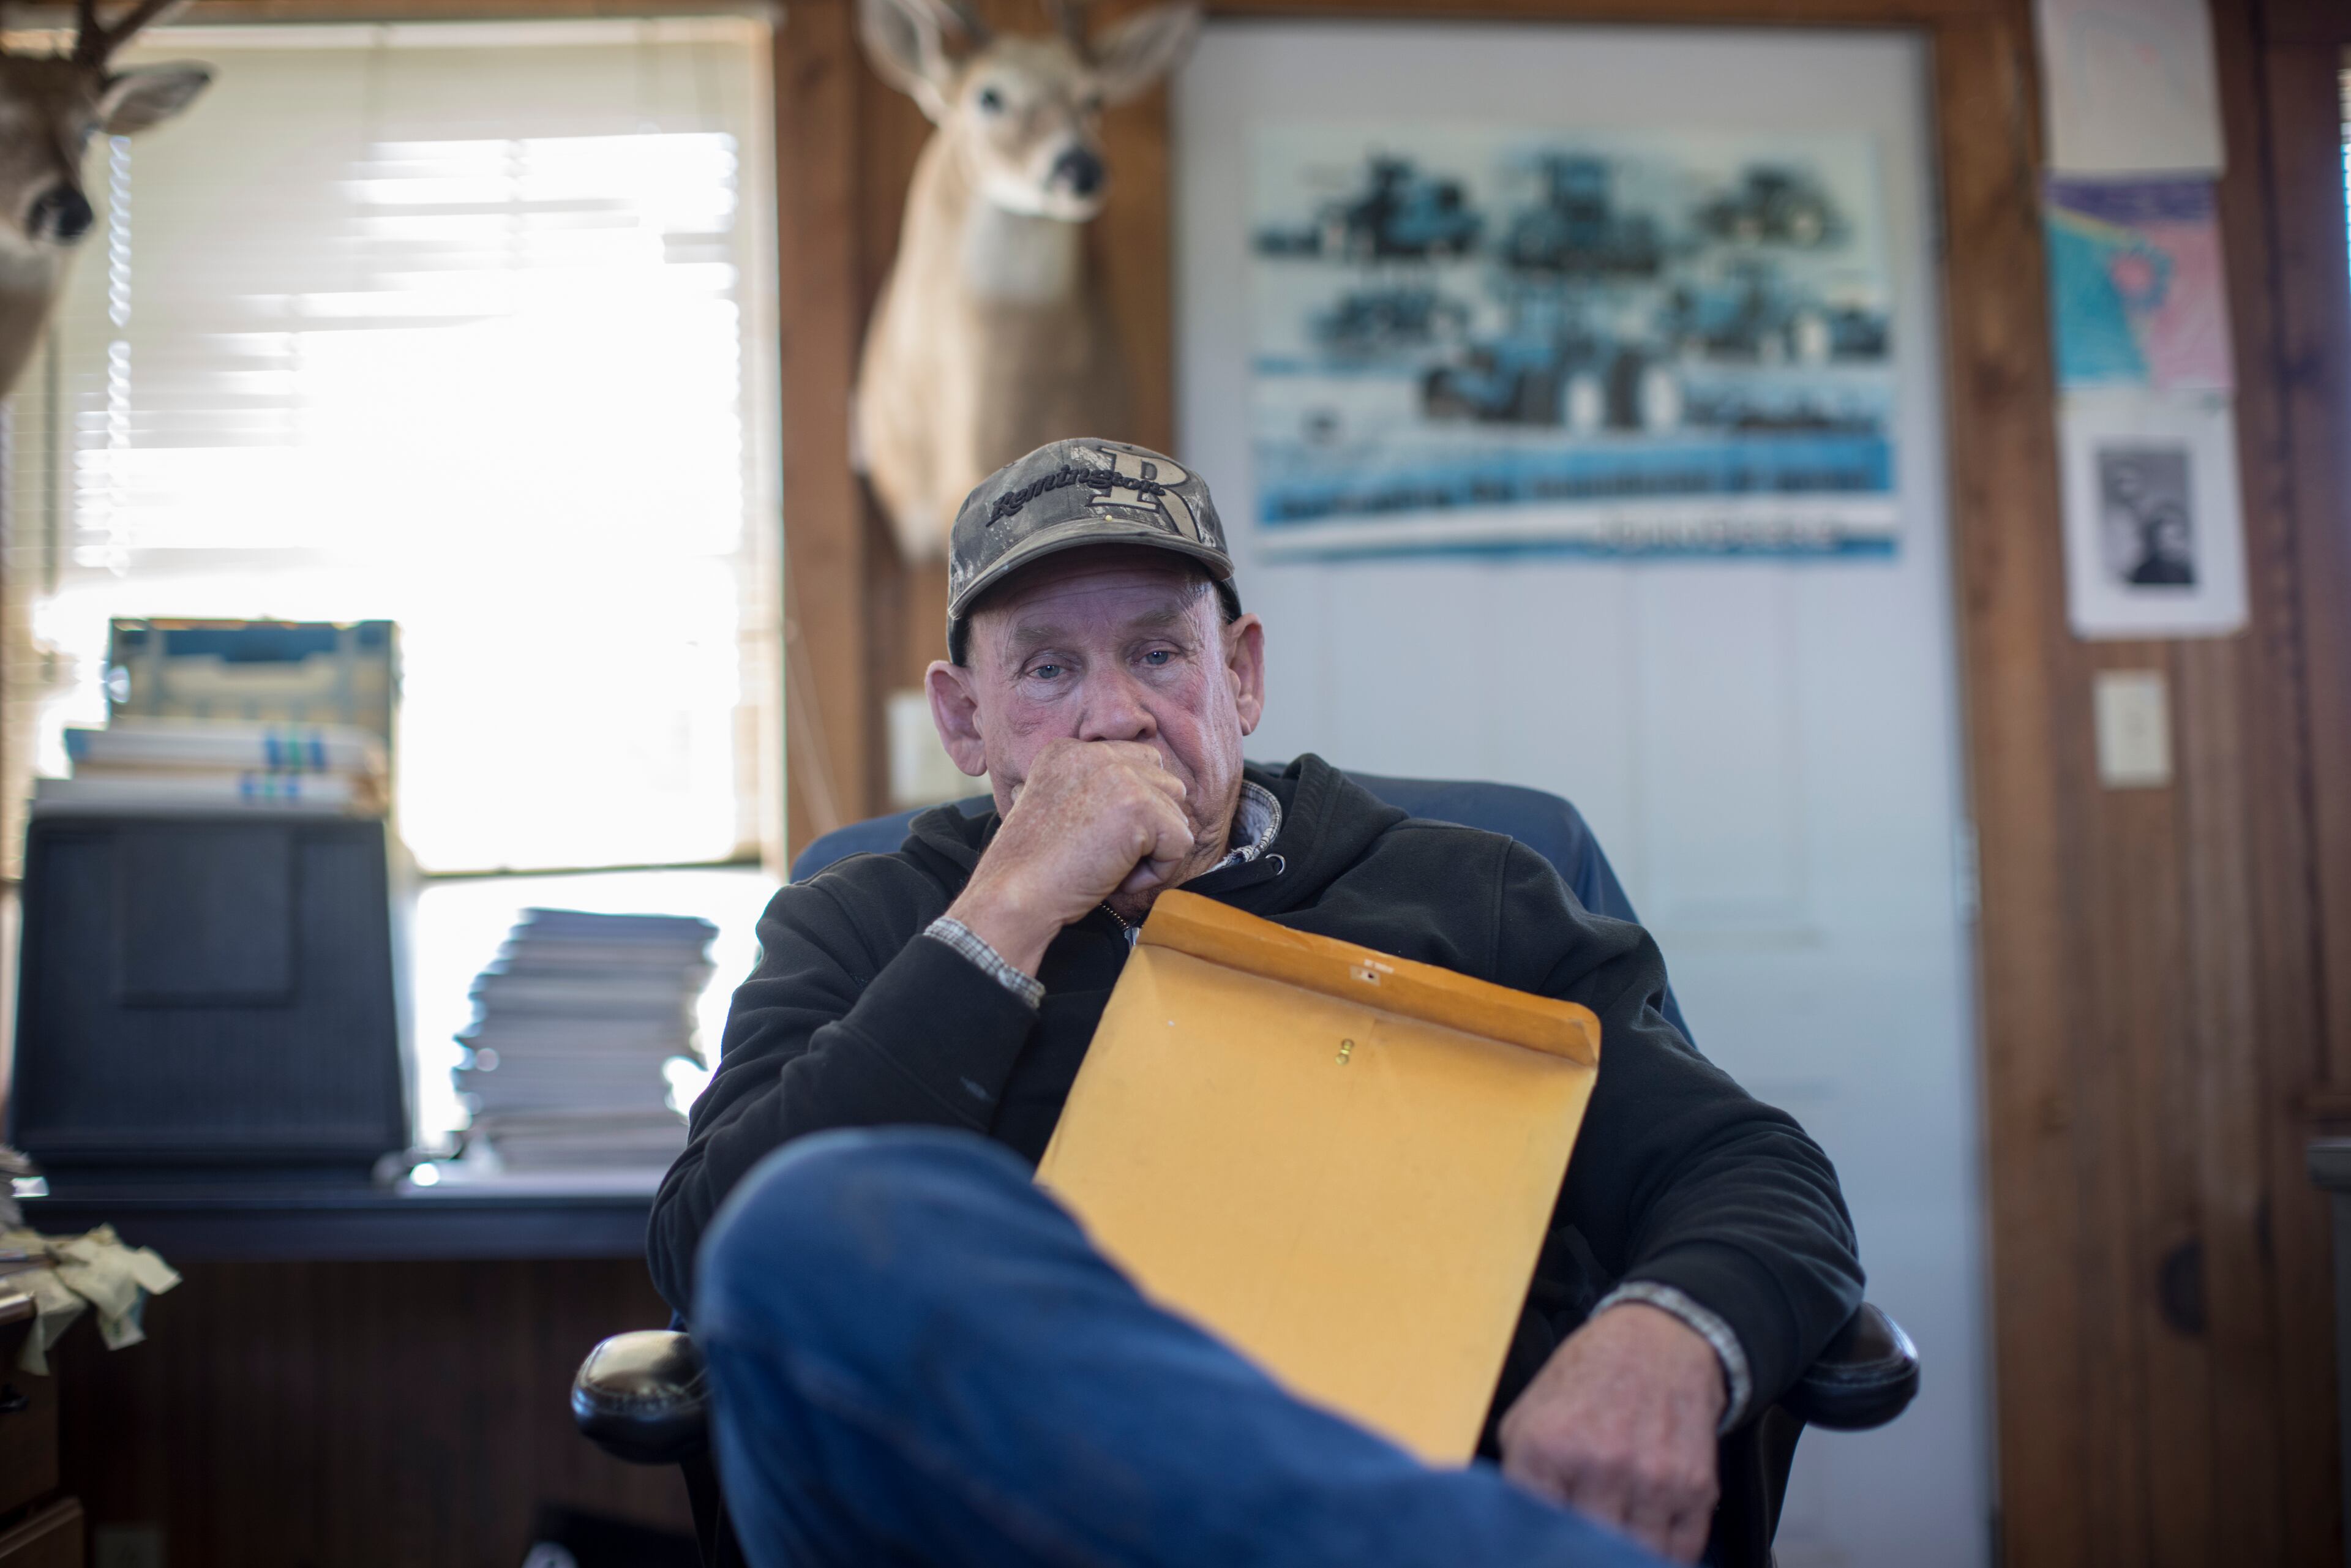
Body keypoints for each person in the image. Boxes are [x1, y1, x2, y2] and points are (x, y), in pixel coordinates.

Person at [651, 438, 1864, 1567]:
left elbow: (1752, 1169)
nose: (1116, 714)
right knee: (804, 1223)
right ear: (965, 719)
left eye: (1161, 654)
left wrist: (1664, 1331)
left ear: (1241, 675)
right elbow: (715, 1252)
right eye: (1047, 669)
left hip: (1423, 1450)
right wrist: (1006, 908)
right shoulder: (861, 922)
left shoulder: (1471, 893)